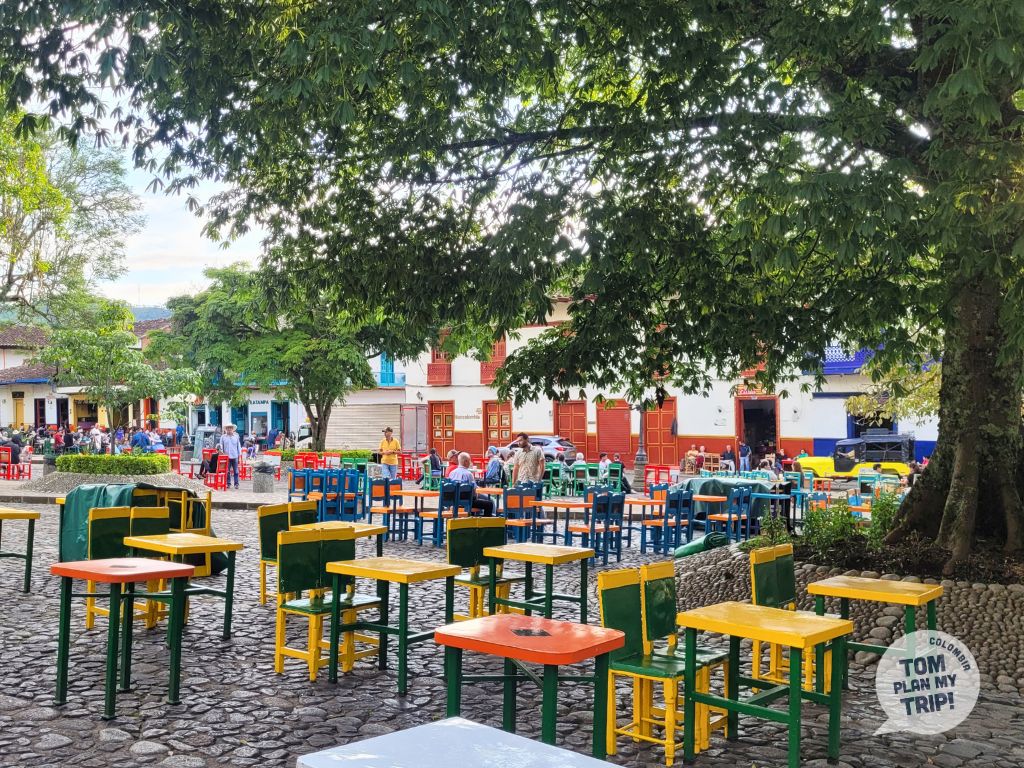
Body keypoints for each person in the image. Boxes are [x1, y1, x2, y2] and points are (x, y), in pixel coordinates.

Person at [218, 423, 242, 489]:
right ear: (226, 429)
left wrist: (240, 455)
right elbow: (220, 446)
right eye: (228, 428)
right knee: (227, 471)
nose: (229, 429)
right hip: (226, 456)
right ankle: (228, 483)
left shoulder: (236, 436)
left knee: (236, 471)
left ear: (232, 429)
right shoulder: (223, 437)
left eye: (230, 428)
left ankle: (236, 484)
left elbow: (238, 446)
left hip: (235, 456)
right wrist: (221, 452)